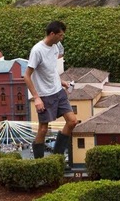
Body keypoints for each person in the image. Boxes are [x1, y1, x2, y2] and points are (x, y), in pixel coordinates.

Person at [24, 20, 77, 161]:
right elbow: (27, 76)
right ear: (52, 34)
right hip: (44, 95)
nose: (62, 38)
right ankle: (40, 162)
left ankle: (57, 157)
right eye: (60, 35)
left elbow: (51, 69)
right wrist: (36, 98)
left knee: (72, 121)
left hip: (58, 91)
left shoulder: (56, 46)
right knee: (43, 129)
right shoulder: (37, 50)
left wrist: (62, 82)